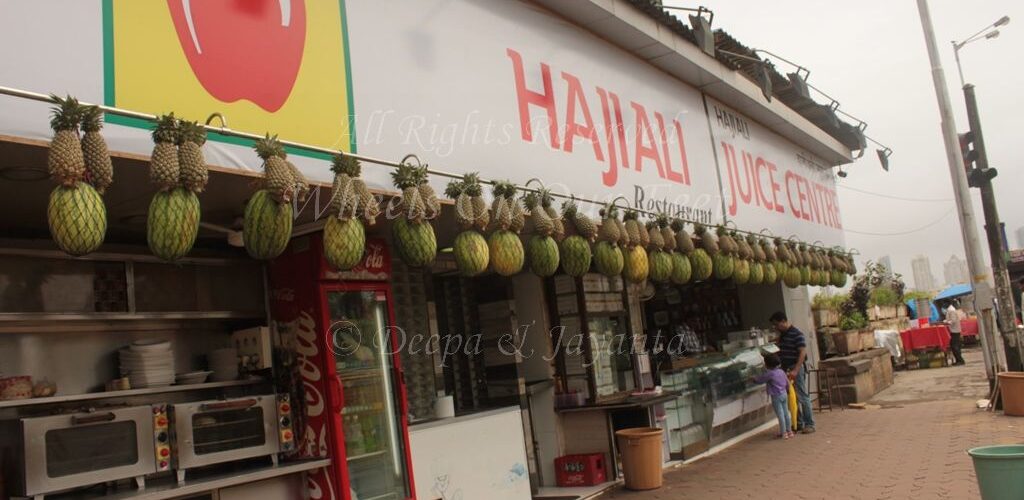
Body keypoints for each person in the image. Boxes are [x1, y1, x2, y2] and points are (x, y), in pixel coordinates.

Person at [769, 311, 815, 434]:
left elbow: (802, 352)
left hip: (795, 368)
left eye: (777, 324)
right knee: (792, 397)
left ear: (783, 321)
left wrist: (796, 369)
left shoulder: (797, 334)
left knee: (802, 396)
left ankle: (810, 423)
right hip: (785, 369)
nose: (776, 327)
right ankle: (798, 423)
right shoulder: (782, 335)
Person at [752, 352, 793, 439]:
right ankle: (789, 431)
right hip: (784, 393)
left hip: (776, 396)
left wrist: (753, 379)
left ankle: (784, 432)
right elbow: (787, 382)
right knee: (786, 413)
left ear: (767, 365)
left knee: (780, 414)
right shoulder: (781, 371)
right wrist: (787, 390)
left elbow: (760, 380)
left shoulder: (770, 374)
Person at [945, 300, 966, 365]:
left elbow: (953, 320)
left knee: (955, 346)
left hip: (955, 331)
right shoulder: (950, 310)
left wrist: (947, 322)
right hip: (954, 330)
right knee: (954, 346)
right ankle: (958, 360)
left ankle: (960, 360)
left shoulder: (951, 311)